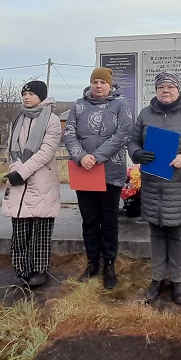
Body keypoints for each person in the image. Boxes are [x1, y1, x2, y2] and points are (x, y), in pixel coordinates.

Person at [128, 71, 181, 305]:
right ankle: (156, 279)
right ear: (155, 90)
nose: (166, 90)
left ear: (178, 89)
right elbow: (133, 141)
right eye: (161, 87)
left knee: (177, 234)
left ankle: (177, 280)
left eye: (170, 87)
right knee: (155, 233)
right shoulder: (146, 114)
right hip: (153, 185)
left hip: (179, 185)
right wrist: (137, 153)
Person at [64, 67, 133, 289]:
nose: (99, 86)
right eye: (95, 82)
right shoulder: (79, 105)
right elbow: (70, 133)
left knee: (109, 219)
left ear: (110, 85)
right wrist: (81, 156)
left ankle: (109, 264)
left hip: (110, 171)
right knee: (90, 219)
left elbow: (123, 134)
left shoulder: (121, 105)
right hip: (84, 171)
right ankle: (93, 263)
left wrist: (97, 156)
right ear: (90, 84)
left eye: (103, 82)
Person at [2, 80, 62, 287]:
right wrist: (14, 170)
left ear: (42, 96)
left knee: (41, 230)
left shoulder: (51, 120)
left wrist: (23, 172)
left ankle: (39, 269)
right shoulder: (18, 119)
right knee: (19, 230)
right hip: (19, 181)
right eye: (24, 93)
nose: (26, 97)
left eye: (31, 94)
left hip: (42, 180)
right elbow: (12, 149)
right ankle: (21, 268)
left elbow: (46, 151)